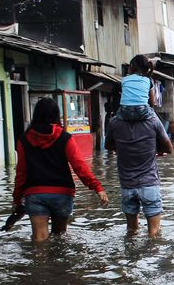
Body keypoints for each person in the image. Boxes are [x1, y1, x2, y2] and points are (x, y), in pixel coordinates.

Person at [12, 97, 108, 242]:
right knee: (60, 237)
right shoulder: (65, 138)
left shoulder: (24, 139)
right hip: (62, 194)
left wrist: (17, 197)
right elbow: (79, 166)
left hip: (35, 194)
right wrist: (97, 187)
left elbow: (21, 172)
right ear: (56, 115)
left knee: (39, 240)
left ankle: (39, 263)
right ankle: (59, 265)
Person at [106, 94, 173, 238]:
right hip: (149, 184)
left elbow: (108, 145)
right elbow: (169, 148)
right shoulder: (153, 120)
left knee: (131, 232)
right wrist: (153, 150)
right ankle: (151, 257)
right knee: (154, 234)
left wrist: (124, 148)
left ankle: (131, 259)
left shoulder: (114, 122)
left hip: (127, 186)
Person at [117, 54, 155, 121]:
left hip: (125, 112)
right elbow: (152, 102)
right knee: (158, 124)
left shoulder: (124, 80)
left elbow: (119, 98)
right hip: (142, 112)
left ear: (131, 66)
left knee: (112, 123)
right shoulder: (148, 81)